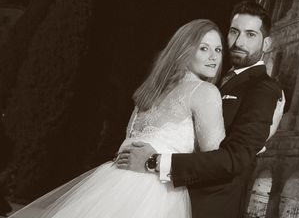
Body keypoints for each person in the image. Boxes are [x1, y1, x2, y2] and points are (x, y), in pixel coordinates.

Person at [10, 19, 226, 218]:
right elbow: (216, 160)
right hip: (156, 193)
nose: (213, 57)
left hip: (111, 183)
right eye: (204, 48)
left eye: (218, 49)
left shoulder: (150, 91)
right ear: (185, 51)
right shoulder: (204, 92)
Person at [119, 1, 284, 218]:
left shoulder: (264, 88)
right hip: (167, 197)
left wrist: (155, 161)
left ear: (267, 43)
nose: (239, 42)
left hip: (208, 206)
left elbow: (236, 158)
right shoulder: (208, 80)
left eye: (250, 35)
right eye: (234, 32)